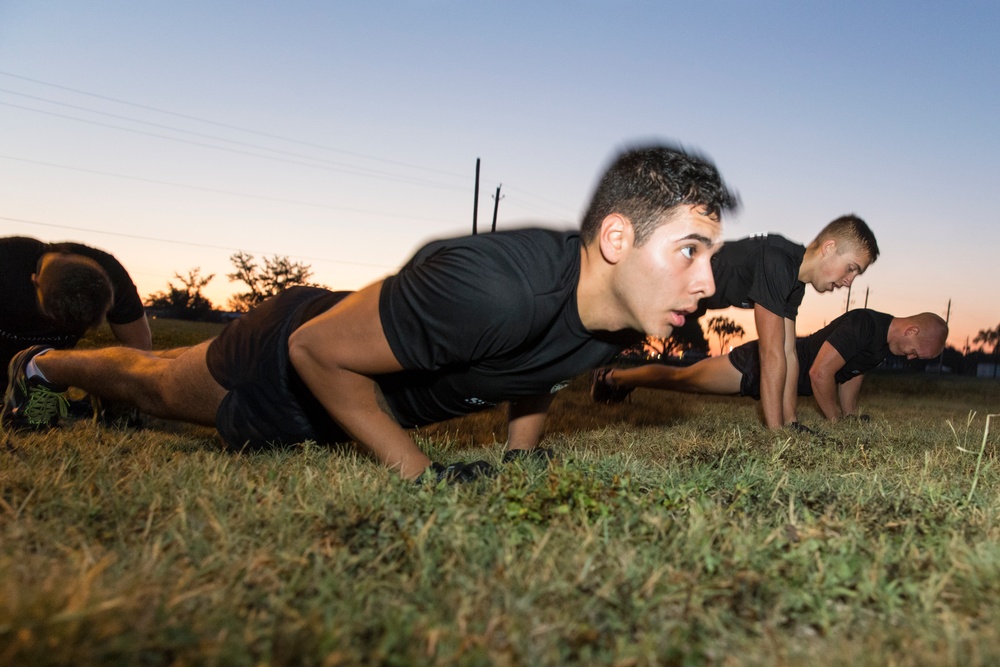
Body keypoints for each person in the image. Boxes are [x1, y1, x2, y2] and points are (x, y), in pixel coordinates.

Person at [3, 143, 739, 482]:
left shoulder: (615, 315)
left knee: (158, 375)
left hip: (349, 379)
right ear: (616, 238)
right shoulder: (495, 288)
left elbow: (541, 365)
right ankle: (37, 365)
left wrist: (521, 454)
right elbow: (319, 352)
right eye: (690, 251)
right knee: (153, 385)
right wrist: (422, 474)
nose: (707, 282)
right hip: (290, 356)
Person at [595, 217, 880, 429]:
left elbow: (789, 353)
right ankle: (598, 376)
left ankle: (608, 379)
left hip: (690, 301)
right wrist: (776, 432)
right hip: (665, 283)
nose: (848, 281)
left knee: (606, 340)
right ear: (829, 248)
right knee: (595, 335)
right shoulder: (778, 262)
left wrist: (791, 420)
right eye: (851, 268)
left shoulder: (795, 282)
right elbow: (770, 354)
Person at [590, 309, 948, 424]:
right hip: (758, 364)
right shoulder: (865, 325)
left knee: (684, 381)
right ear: (912, 329)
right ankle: (613, 376)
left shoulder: (881, 343)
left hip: (773, 376)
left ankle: (618, 378)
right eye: (917, 351)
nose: (912, 358)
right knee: (683, 379)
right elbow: (820, 373)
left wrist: (850, 416)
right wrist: (836, 422)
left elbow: (851, 374)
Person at [0, 236, 152, 387]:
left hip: (47, 372)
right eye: (54, 318)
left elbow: (140, 347)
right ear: (35, 281)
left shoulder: (112, 276)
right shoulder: (6, 262)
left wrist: (114, 386)